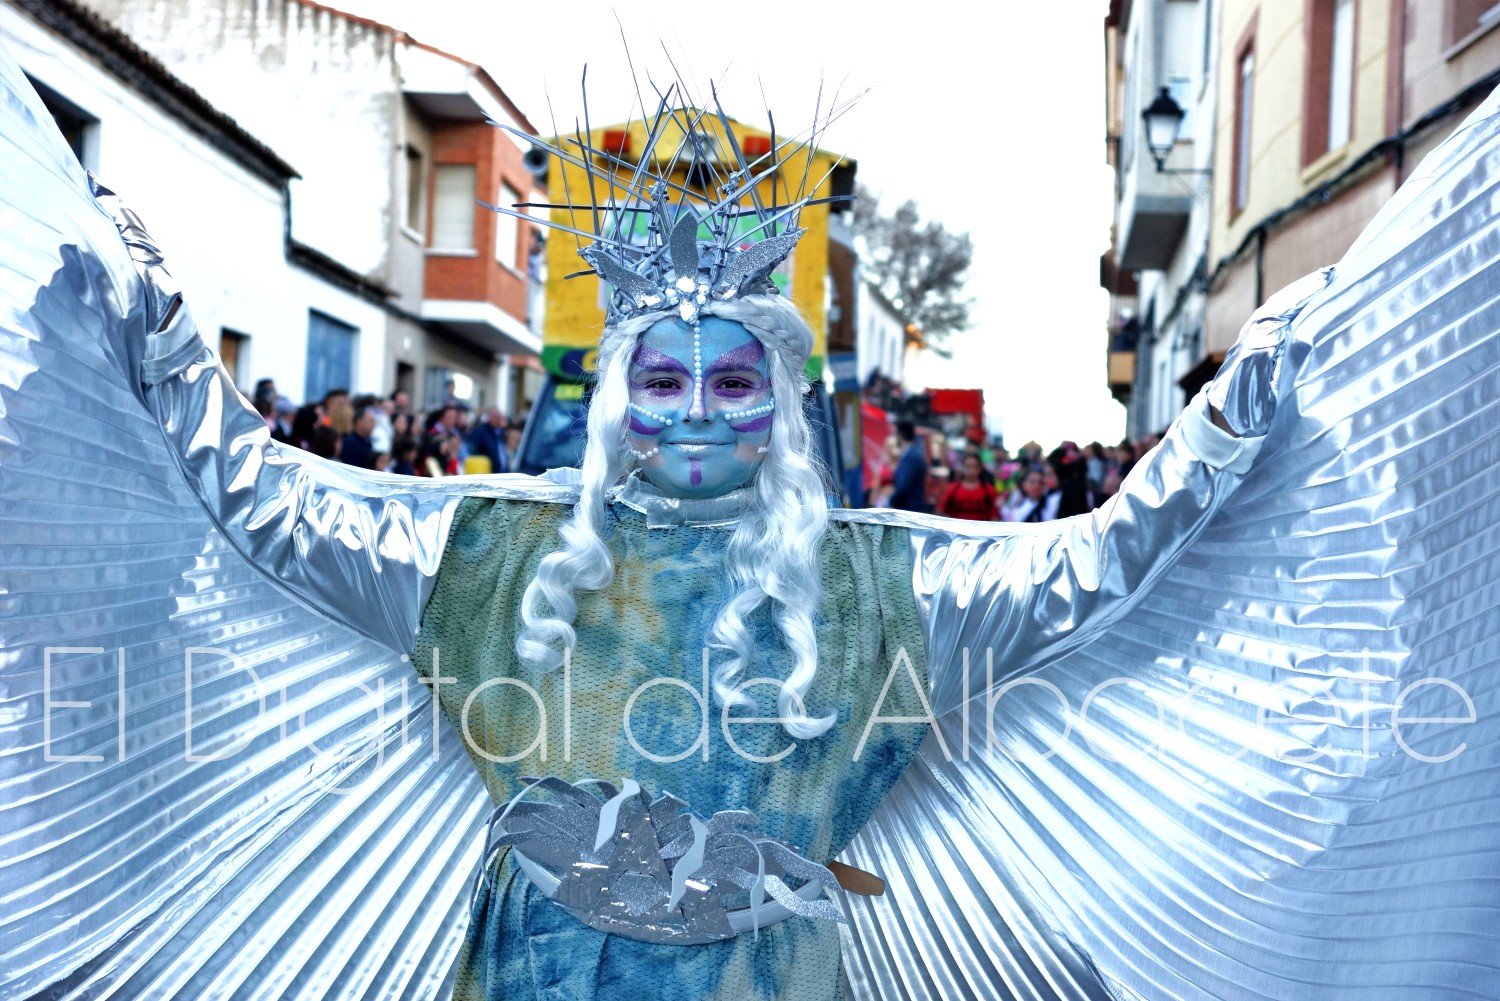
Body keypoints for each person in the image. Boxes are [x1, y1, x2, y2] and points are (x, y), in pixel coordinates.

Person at [11, 59, 1500, 1001]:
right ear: (618, 400)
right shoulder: (484, 560)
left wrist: (1233, 424)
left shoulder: (879, 582)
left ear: (779, 401)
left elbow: (1097, 569)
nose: (699, 410)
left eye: (737, 379)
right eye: (665, 376)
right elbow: (267, 513)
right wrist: (150, 344)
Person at [937, 453, 999, 521]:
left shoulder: (988, 489)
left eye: (975, 466)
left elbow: (994, 514)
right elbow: (941, 511)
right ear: (962, 467)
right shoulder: (953, 488)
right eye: (968, 466)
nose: (971, 470)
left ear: (980, 468)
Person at [888, 419, 929, 513]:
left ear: (900, 434)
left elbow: (903, 485)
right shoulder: (914, 453)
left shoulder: (910, 456)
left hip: (909, 509)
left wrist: (891, 501)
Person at [466, 406, 510, 474]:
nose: (498, 419)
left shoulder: (500, 432)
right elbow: (473, 449)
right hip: (489, 473)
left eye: (499, 416)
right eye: (495, 416)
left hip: (504, 473)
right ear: (489, 417)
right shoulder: (480, 431)